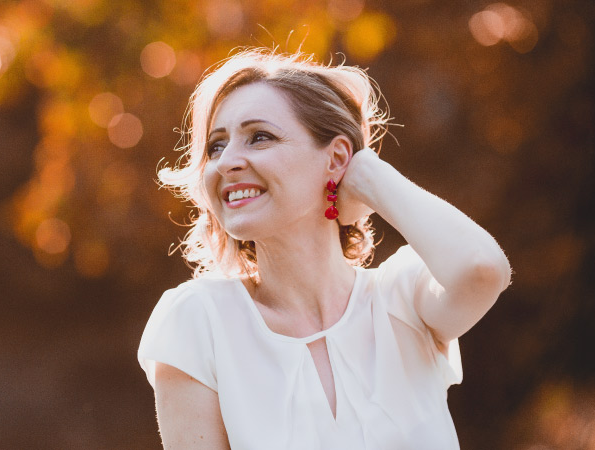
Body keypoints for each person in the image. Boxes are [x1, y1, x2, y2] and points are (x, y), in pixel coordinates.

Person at [137, 48, 511, 449]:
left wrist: (369, 176)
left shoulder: (403, 297)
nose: (227, 162)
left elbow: (482, 269)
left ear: (335, 158)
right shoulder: (198, 322)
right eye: (215, 147)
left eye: (259, 137)